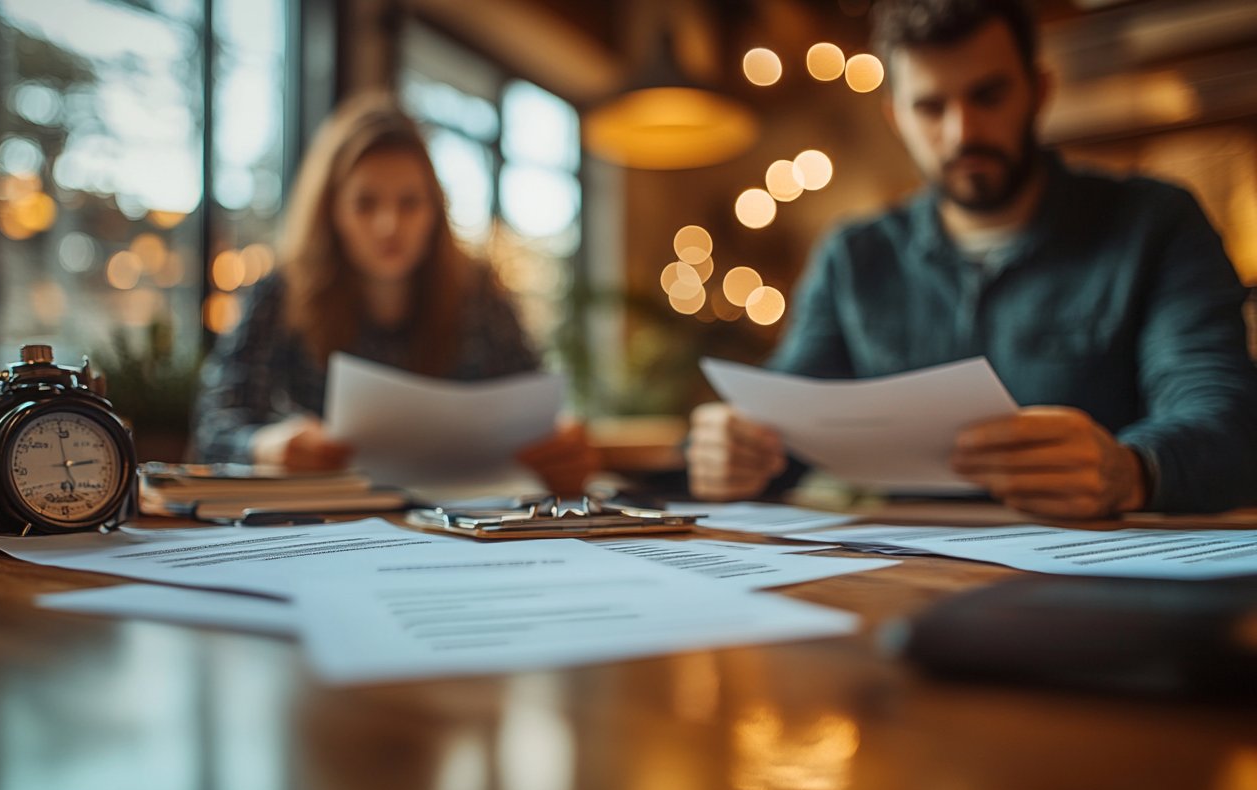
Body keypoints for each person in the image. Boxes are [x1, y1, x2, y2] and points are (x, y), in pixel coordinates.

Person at [688, 0, 1257, 517]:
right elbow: (785, 424)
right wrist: (731, 451)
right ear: (897, 118)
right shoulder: (855, 256)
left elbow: (1226, 421)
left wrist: (1131, 471)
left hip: (1112, 575)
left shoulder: (1155, 223)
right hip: (905, 578)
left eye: (988, 95)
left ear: (1039, 90)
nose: (962, 132)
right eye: (931, 107)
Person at [192, 92, 597, 494]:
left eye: (410, 203)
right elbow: (213, 426)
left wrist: (563, 450)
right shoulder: (279, 296)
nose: (389, 224)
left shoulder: (481, 298)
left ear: (435, 212)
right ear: (332, 212)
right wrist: (266, 447)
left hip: (469, 522)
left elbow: (537, 413)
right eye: (365, 204)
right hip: (328, 528)